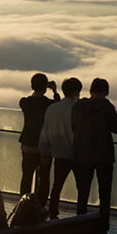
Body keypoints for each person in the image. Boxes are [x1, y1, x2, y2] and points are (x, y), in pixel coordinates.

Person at [72, 77, 117, 234]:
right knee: (104, 195)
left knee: (83, 193)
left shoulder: (79, 106)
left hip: (82, 155)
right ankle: (102, 232)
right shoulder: (107, 107)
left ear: (91, 90)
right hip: (103, 157)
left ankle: (79, 229)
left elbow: (73, 126)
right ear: (106, 92)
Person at [38, 77, 82, 220]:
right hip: (78, 154)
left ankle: (53, 213)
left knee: (56, 187)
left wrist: (44, 152)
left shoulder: (52, 109)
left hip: (59, 154)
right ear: (76, 92)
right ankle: (81, 217)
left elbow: (44, 133)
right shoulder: (80, 108)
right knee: (82, 188)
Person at [19, 73, 60, 198]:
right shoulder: (50, 104)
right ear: (45, 87)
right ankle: (41, 204)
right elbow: (58, 105)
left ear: (32, 86)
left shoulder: (24, 102)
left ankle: (23, 202)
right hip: (44, 147)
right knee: (44, 178)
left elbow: (30, 99)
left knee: (27, 176)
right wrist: (54, 91)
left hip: (27, 145)